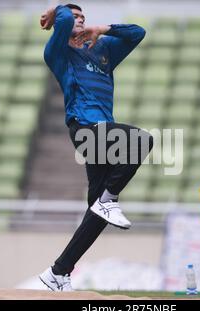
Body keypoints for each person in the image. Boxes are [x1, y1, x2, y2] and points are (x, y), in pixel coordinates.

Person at [38, 4, 153, 291]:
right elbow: (63, 18)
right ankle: (109, 198)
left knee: (96, 216)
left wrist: (102, 29)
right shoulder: (58, 53)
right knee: (142, 140)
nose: (80, 21)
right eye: (75, 18)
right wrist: (58, 10)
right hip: (86, 131)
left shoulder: (102, 51)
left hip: (104, 135)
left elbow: (138, 33)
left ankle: (57, 272)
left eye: (83, 18)